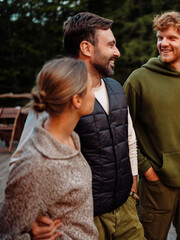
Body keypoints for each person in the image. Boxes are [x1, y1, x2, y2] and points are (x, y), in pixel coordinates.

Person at [9, 12, 145, 240]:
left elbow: (128, 138)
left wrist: (132, 183)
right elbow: (20, 163)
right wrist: (31, 219)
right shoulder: (58, 96)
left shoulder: (116, 87)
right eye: (111, 44)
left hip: (126, 210)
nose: (117, 52)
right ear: (87, 48)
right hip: (83, 220)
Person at [123, 11, 180, 240]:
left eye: (171, 38)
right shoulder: (138, 80)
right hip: (157, 183)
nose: (163, 43)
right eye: (160, 37)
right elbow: (122, 130)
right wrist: (147, 170)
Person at [0, 57, 98, 239]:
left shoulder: (69, 138)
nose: (94, 94)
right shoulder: (37, 165)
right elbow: (3, 234)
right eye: (90, 89)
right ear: (76, 101)